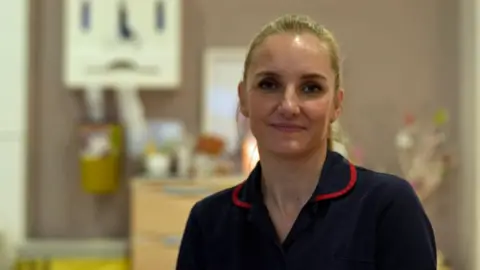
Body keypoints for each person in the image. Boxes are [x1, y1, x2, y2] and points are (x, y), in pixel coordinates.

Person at [176, 14, 437, 270]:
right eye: (269, 84)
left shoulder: (388, 207)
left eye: (311, 88)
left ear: (336, 104)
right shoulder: (208, 222)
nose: (288, 106)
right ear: (243, 99)